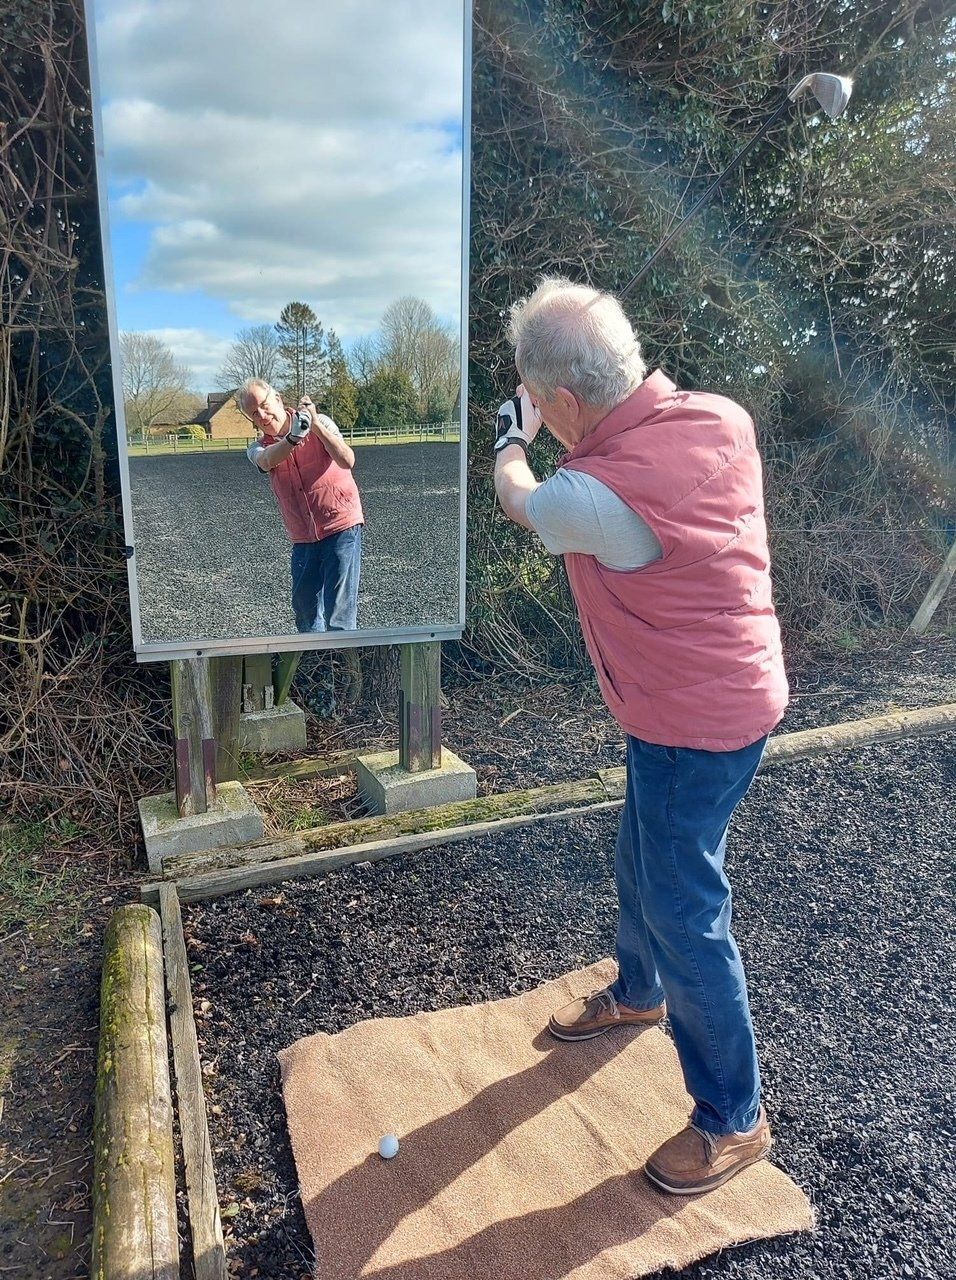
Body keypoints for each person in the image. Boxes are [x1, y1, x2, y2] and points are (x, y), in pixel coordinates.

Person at [493, 276, 790, 1196]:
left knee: (685, 911)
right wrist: (548, 412)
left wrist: (512, 434)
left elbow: (522, 500)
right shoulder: (718, 416)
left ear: (569, 403)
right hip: (724, 695)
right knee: (644, 858)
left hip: (689, 723)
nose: (545, 416)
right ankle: (637, 990)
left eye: (548, 403)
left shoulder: (590, 495)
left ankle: (734, 1120)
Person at [240, 378, 363, 633]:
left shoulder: (321, 421)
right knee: (304, 609)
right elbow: (265, 461)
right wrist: (293, 438)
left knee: (339, 612)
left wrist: (315, 426)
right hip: (303, 536)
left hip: (340, 525)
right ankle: (314, 663)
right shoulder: (257, 447)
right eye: (254, 413)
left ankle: (343, 665)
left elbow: (347, 460)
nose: (262, 415)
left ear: (278, 398)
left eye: (264, 405)